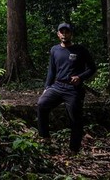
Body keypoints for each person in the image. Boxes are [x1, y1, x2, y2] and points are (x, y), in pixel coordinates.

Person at [37, 22, 97, 154]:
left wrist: (80, 77)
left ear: (71, 34)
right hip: (57, 86)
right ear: (58, 34)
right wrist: (47, 87)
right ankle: (44, 138)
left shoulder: (80, 50)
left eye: (67, 32)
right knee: (42, 104)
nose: (64, 34)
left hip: (73, 89)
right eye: (62, 32)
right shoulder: (54, 50)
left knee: (75, 118)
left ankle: (73, 149)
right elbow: (51, 70)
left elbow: (92, 68)